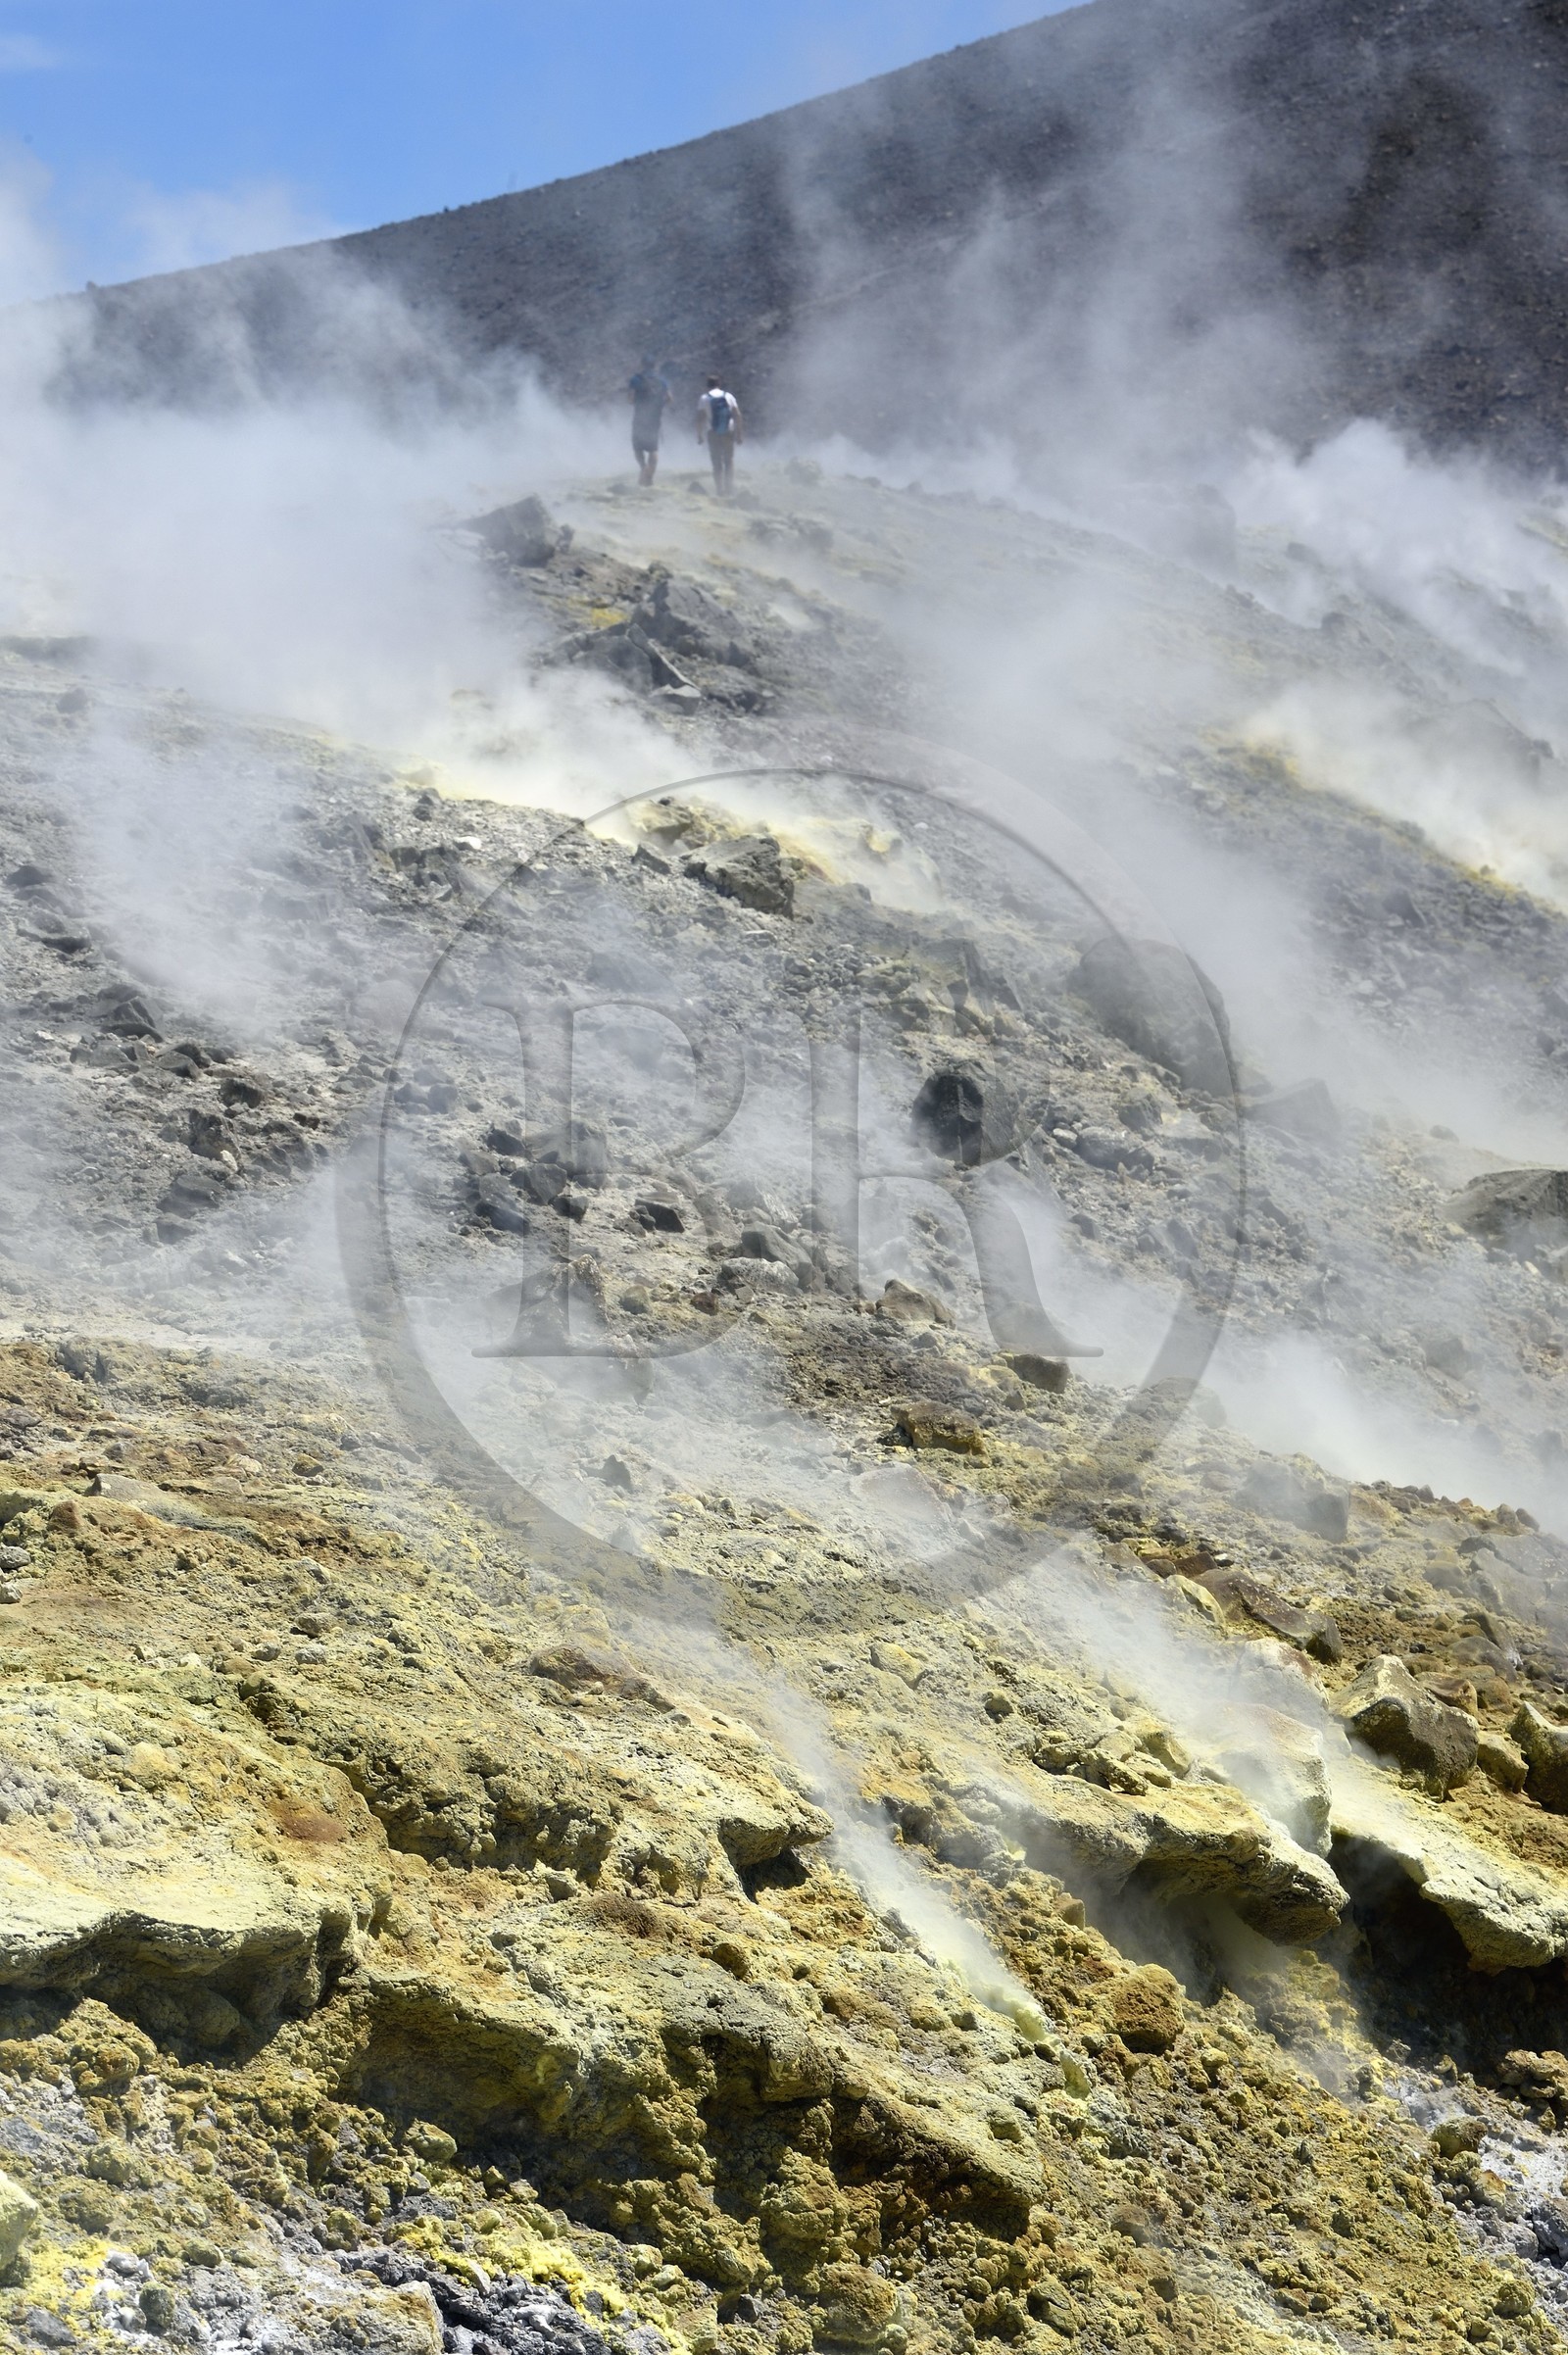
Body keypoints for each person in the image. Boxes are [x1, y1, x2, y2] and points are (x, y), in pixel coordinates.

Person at [627, 358, 670, 486]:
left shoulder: (635, 379)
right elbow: (669, 399)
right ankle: (649, 475)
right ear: (654, 365)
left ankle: (643, 468)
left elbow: (630, 399)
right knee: (653, 449)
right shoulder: (662, 381)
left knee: (637, 447)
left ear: (642, 365)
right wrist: (659, 405)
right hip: (655, 418)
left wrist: (638, 404)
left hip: (640, 418)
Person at [697, 376, 742, 496]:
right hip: (729, 431)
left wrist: (699, 435)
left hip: (713, 433)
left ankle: (719, 490)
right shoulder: (729, 396)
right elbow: (737, 415)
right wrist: (739, 434)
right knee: (729, 461)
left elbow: (700, 418)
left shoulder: (704, 398)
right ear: (719, 384)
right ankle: (729, 488)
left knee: (716, 462)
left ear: (707, 385)